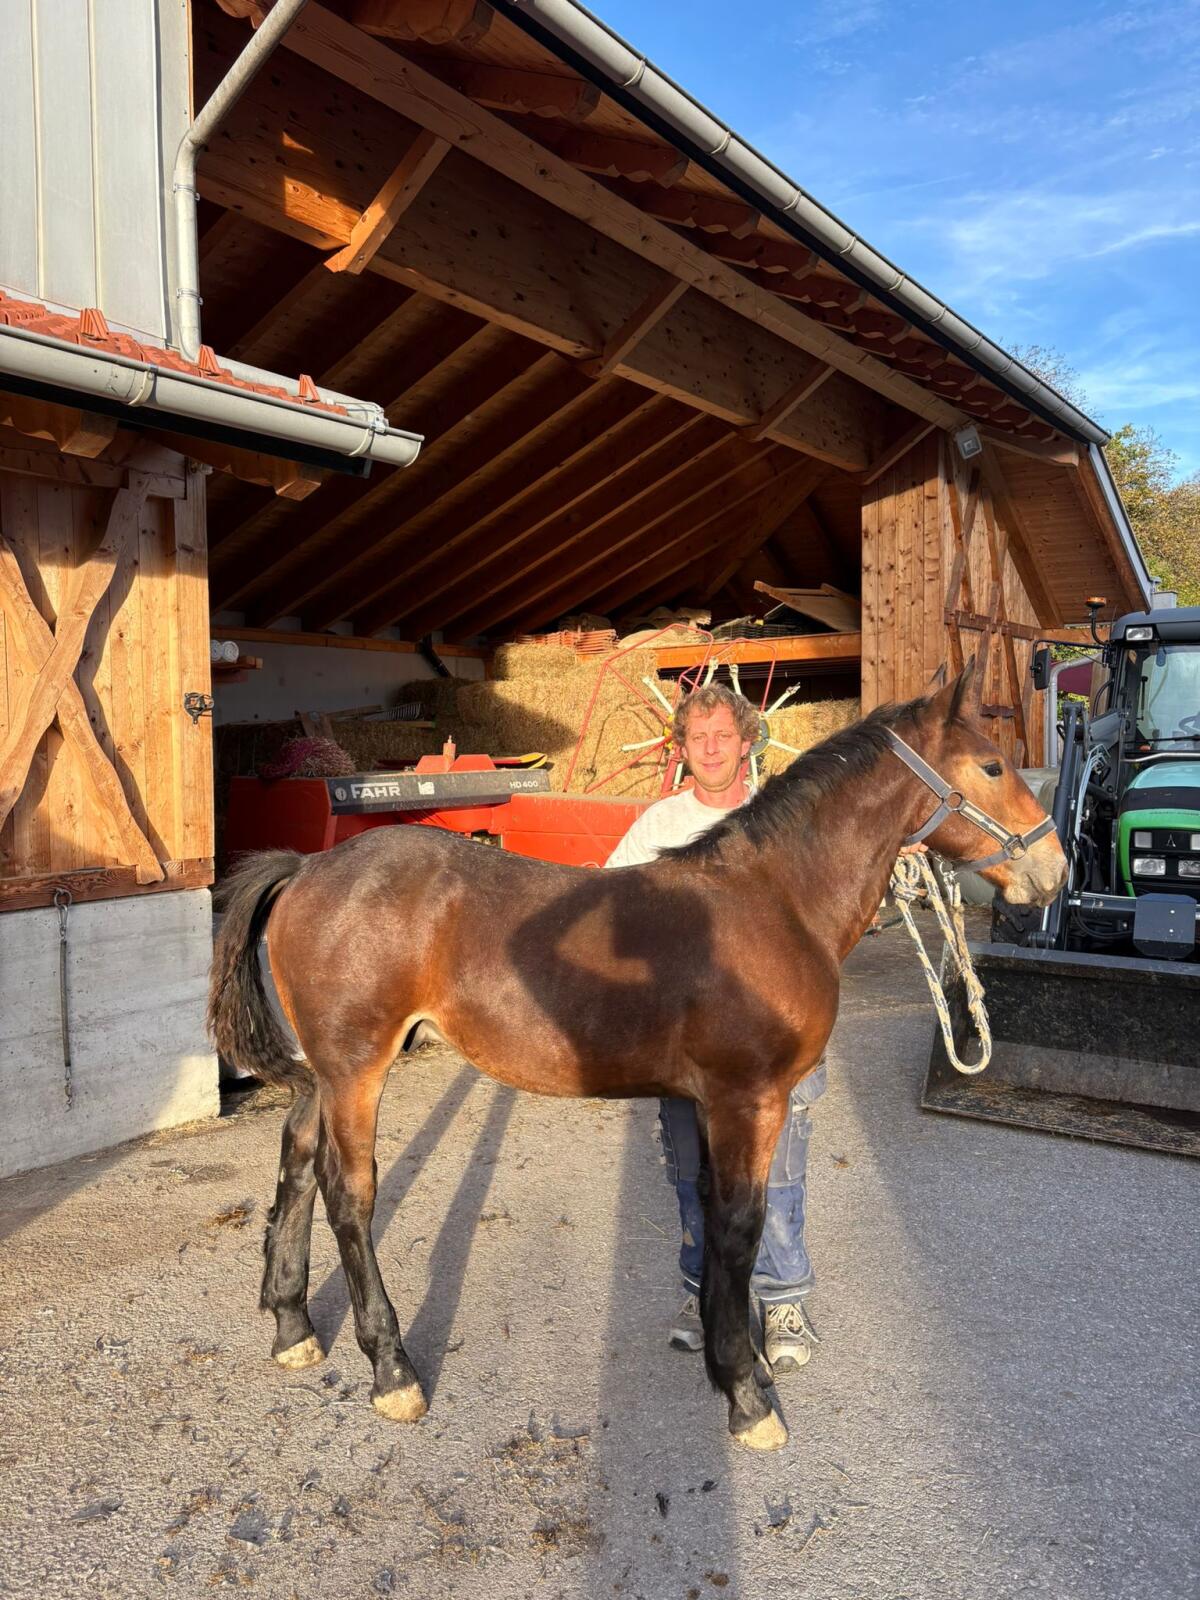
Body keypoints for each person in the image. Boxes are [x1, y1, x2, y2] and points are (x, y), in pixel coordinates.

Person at [604, 682, 823, 1375]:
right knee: (690, 1173)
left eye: (723, 735)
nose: (711, 748)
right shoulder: (658, 827)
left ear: (747, 739)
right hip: (686, 1045)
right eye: (698, 738)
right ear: (682, 747)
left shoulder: (784, 821)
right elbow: (607, 906)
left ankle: (782, 1296)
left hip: (775, 1039)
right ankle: (701, 1292)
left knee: (777, 1172)